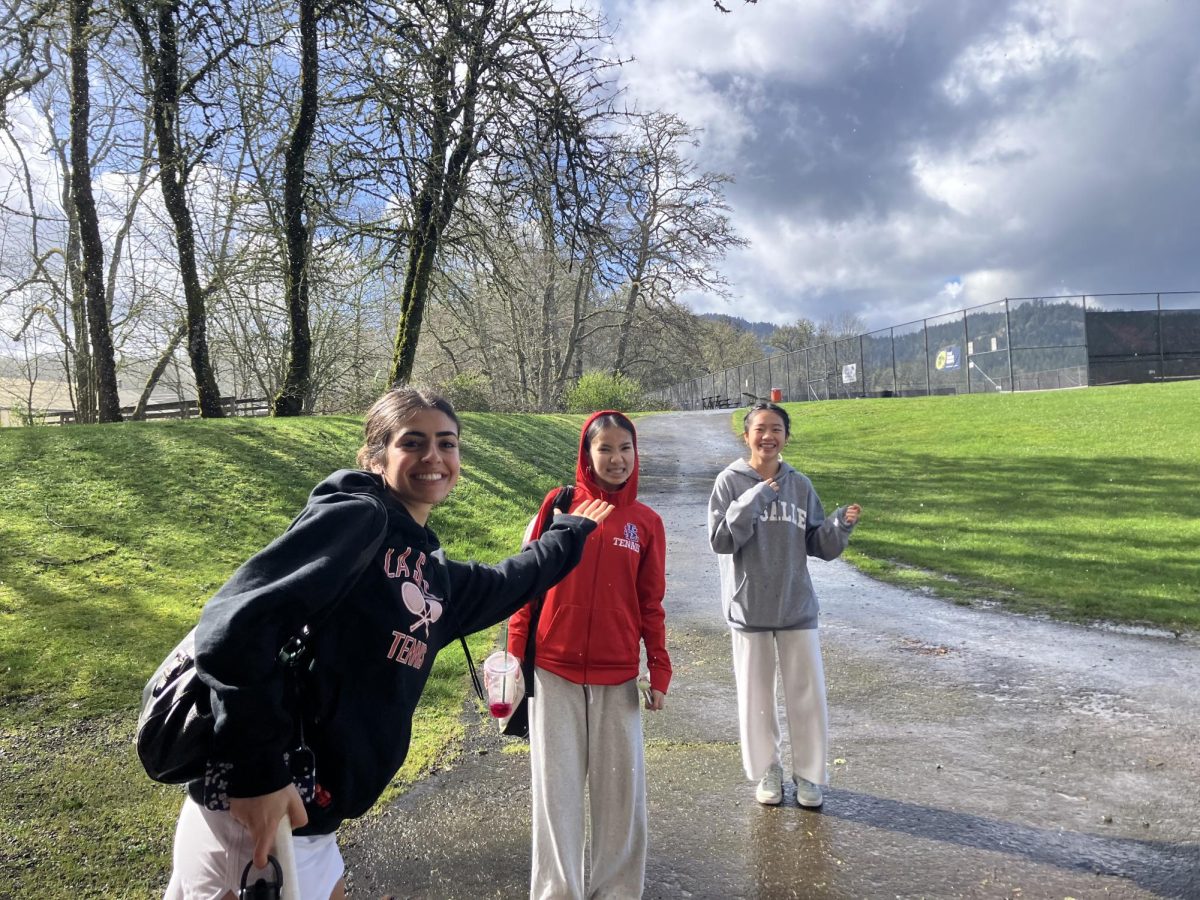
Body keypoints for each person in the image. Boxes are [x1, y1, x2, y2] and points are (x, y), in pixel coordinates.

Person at [163, 386, 613, 900]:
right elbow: (233, 627)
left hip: (313, 816)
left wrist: (569, 534)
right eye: (413, 442)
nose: (434, 457)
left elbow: (506, 582)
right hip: (261, 808)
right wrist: (257, 776)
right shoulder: (356, 518)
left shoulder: (431, 572)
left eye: (448, 443)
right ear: (375, 457)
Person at [507, 410, 672, 900]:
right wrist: (516, 656)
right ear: (587, 454)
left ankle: (617, 891)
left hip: (617, 678)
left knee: (620, 799)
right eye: (606, 449)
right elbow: (527, 582)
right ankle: (557, 892)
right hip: (553, 672)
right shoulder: (559, 506)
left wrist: (658, 668)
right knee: (555, 798)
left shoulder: (646, 523)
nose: (617, 459)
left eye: (626, 449)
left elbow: (651, 604)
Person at [708, 402, 861, 809]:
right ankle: (767, 771)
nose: (768, 436)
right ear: (746, 436)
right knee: (755, 698)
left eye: (776, 429)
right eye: (760, 429)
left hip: (796, 606)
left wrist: (838, 527)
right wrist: (756, 497)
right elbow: (721, 540)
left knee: (807, 695)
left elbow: (817, 545)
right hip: (749, 608)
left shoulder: (800, 484)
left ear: (786, 437)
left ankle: (809, 776)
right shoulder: (729, 482)